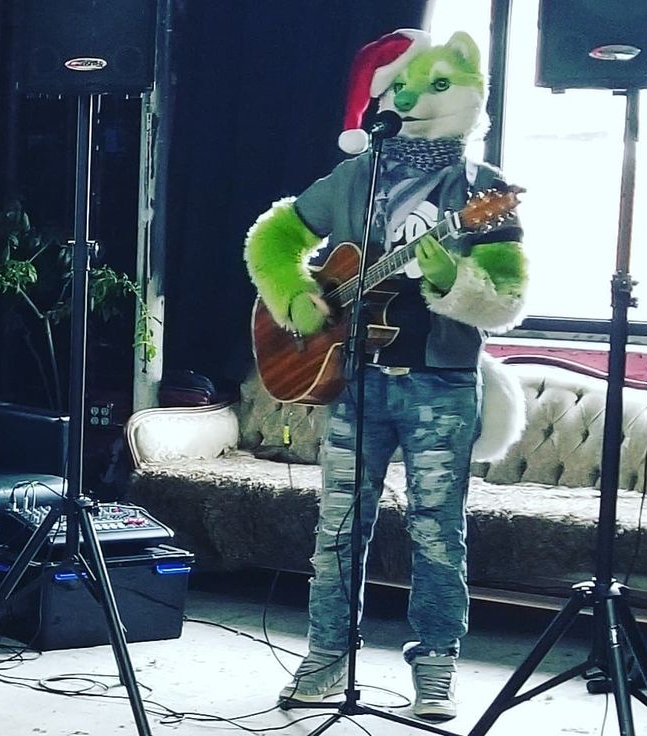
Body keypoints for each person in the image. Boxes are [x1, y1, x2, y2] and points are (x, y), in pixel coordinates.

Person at [244, 28, 528, 722]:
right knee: (338, 530)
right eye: (396, 86)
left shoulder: (483, 192)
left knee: (437, 533)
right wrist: (293, 298)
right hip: (357, 380)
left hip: (442, 384)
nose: (405, 97)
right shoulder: (354, 176)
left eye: (423, 85)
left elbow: (509, 297)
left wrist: (451, 275)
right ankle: (325, 656)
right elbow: (273, 237)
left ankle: (436, 666)